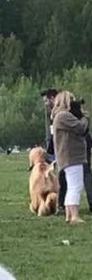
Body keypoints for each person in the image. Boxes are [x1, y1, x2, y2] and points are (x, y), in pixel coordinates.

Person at [51, 91, 89, 224]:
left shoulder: (59, 116)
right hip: (72, 156)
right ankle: (74, 216)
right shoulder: (64, 116)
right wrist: (84, 117)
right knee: (76, 186)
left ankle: (69, 215)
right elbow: (81, 128)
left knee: (71, 185)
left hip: (67, 156)